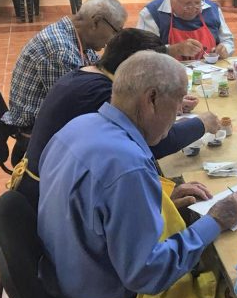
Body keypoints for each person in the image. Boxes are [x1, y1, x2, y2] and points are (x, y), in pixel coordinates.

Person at [37, 51, 237, 298]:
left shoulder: (81, 126)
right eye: (177, 106)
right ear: (152, 99)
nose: (175, 121)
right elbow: (148, 275)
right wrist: (214, 221)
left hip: (67, 283)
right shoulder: (126, 167)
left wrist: (158, 193)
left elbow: (99, 204)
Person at [13, 28, 221, 210]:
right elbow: (153, 143)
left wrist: (167, 101)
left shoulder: (89, 75)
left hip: (55, 190)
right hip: (47, 200)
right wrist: (201, 123)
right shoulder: (101, 95)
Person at [2, 0, 126, 158]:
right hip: (35, 141)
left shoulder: (79, 38)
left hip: (48, 126)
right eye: (116, 31)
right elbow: (73, 108)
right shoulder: (60, 51)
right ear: (96, 22)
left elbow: (99, 72)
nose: (113, 40)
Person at [138, 0, 235, 60]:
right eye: (187, 4)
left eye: (197, 3)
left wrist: (225, 49)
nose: (193, 9)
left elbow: (228, 41)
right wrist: (174, 50)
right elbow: (142, 55)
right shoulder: (152, 14)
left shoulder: (212, 10)